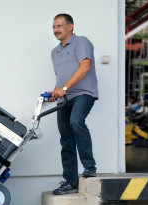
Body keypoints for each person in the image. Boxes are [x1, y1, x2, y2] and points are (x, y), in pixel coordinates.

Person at [49, 13, 98, 195]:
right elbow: (61, 77)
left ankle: (90, 166)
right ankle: (70, 180)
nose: (56, 30)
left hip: (83, 93)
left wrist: (65, 87)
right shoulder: (55, 52)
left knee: (76, 122)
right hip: (64, 98)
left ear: (70, 26)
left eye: (59, 26)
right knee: (66, 139)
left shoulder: (81, 42)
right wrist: (55, 91)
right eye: (54, 27)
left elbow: (85, 67)